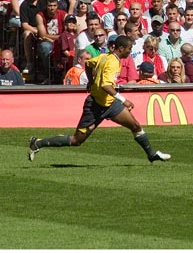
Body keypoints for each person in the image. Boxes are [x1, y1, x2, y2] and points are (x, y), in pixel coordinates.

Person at [28, 35, 171, 163]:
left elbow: (89, 64)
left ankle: (151, 154)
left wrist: (91, 81)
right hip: (95, 105)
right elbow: (106, 85)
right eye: (129, 48)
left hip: (109, 103)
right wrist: (123, 99)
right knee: (77, 140)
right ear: (121, 48)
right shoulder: (112, 62)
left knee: (135, 125)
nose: (130, 51)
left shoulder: (105, 57)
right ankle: (37, 143)